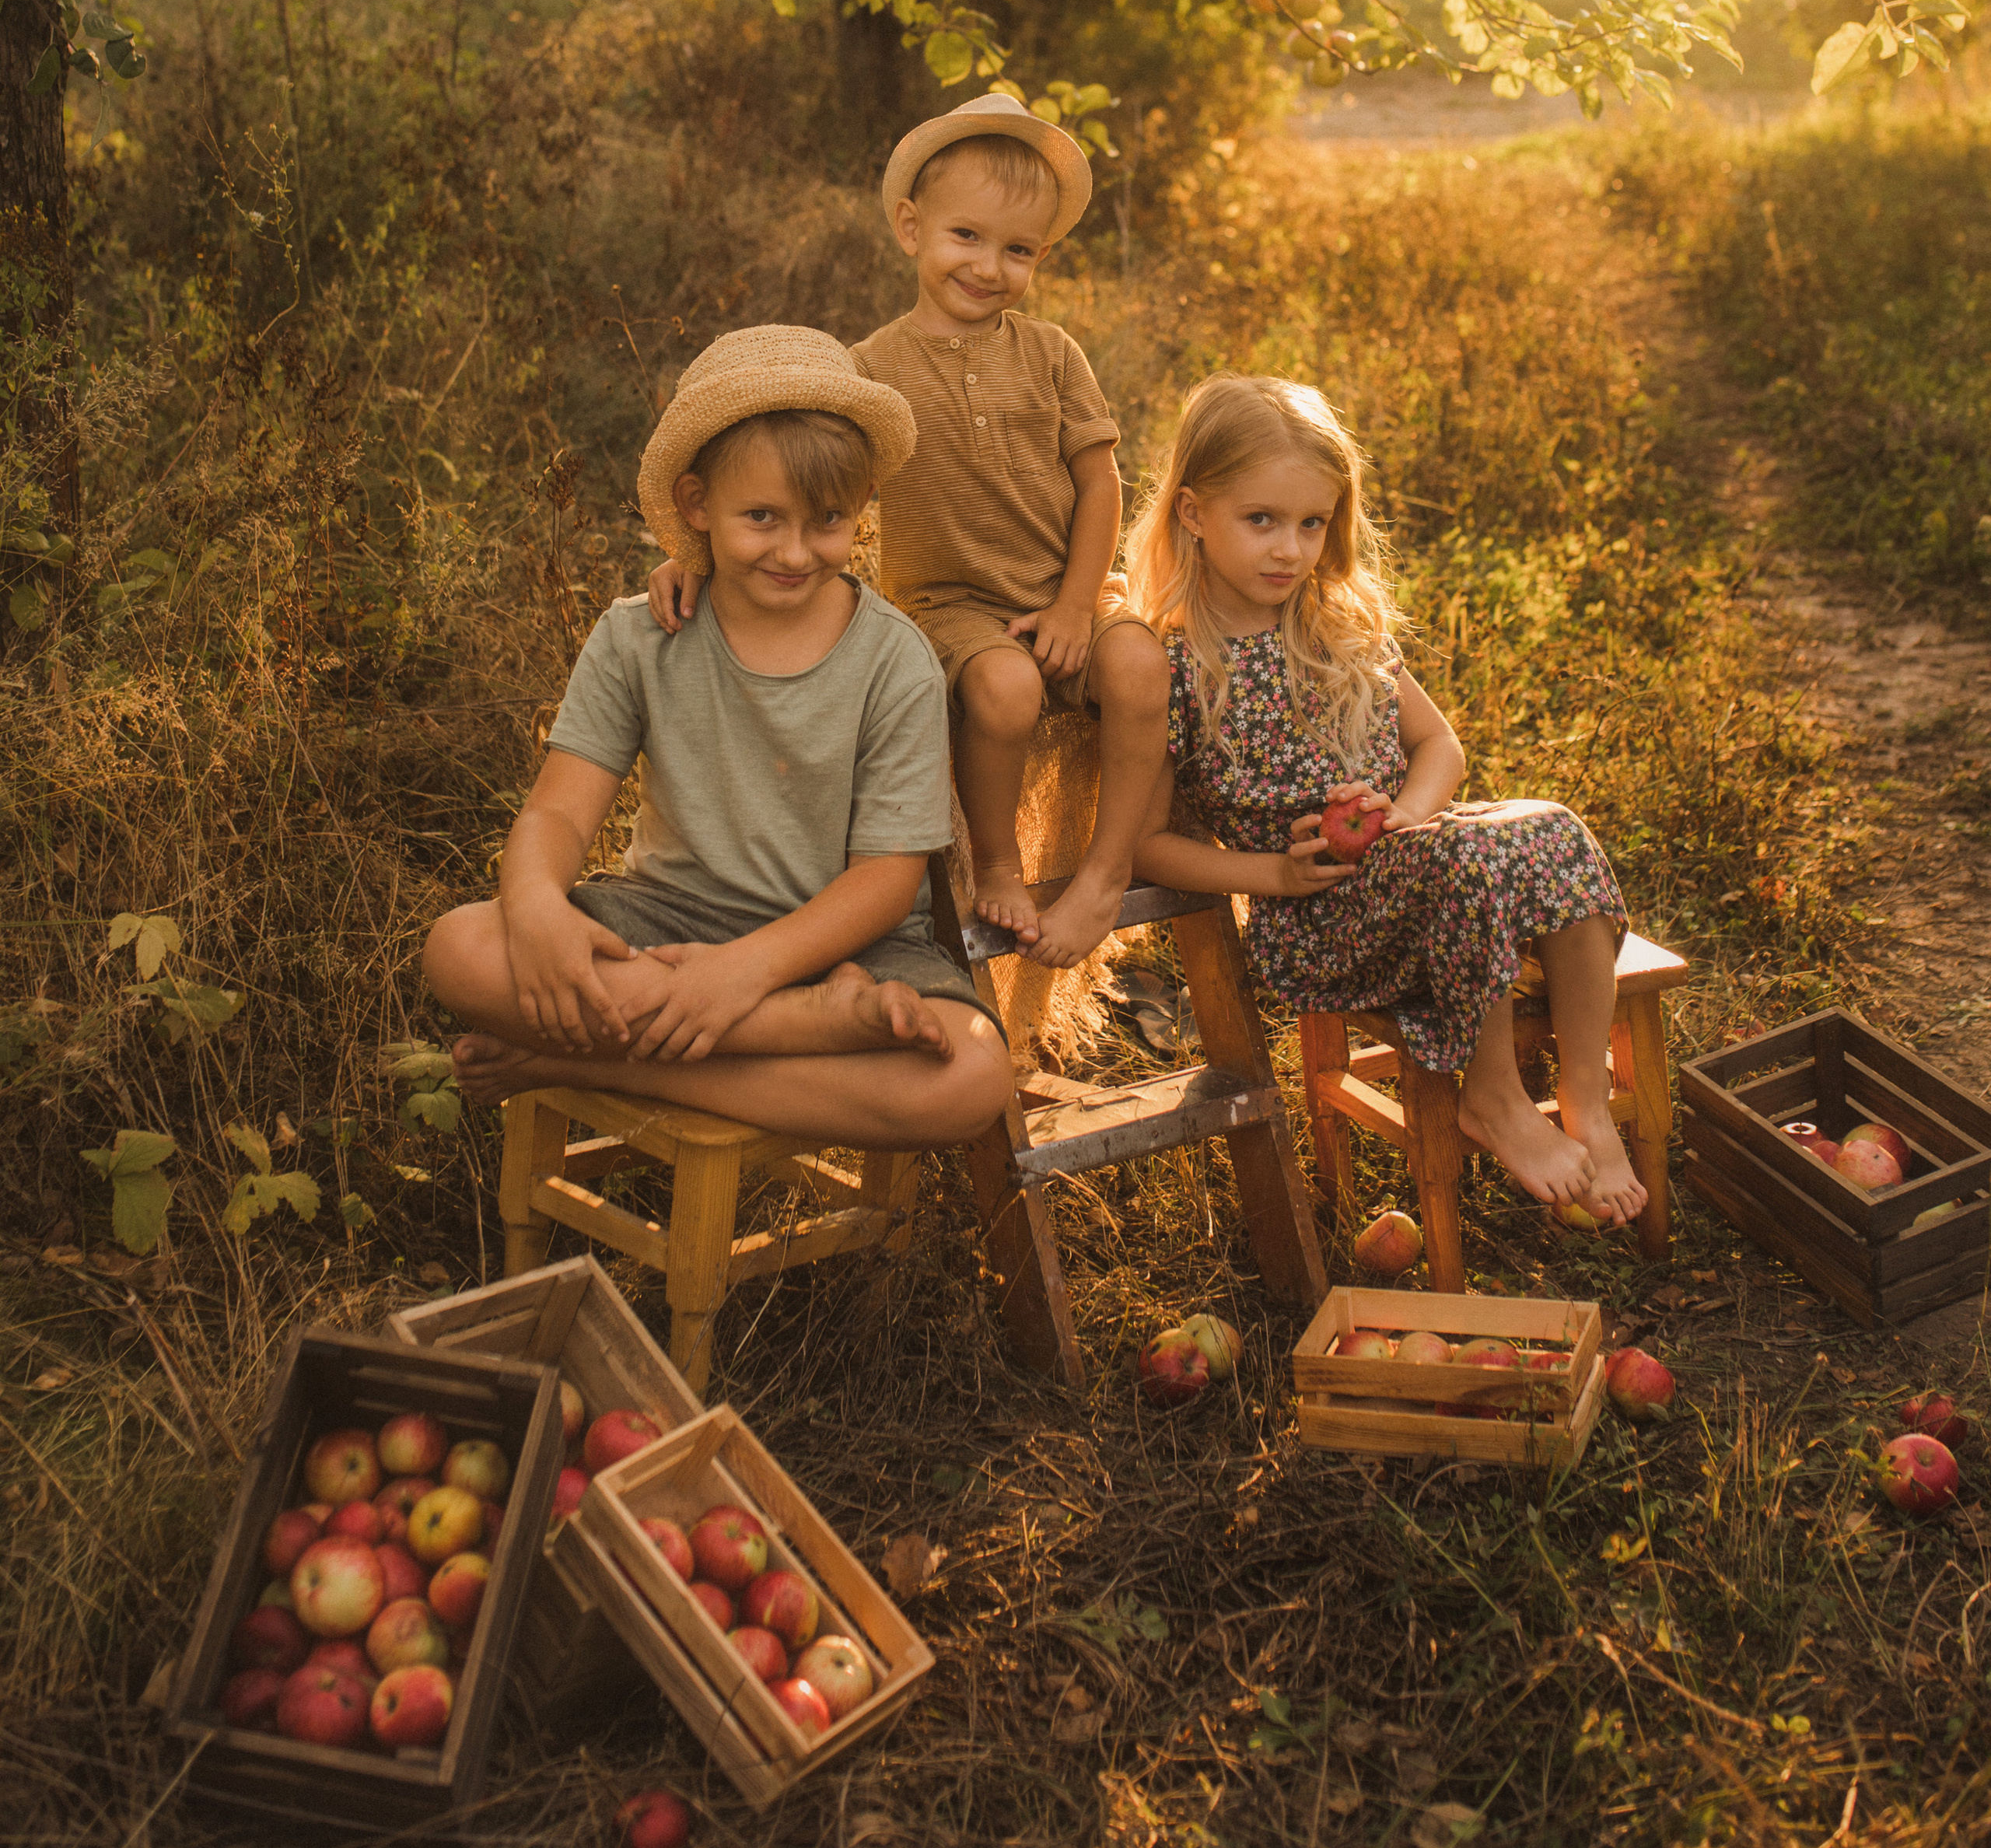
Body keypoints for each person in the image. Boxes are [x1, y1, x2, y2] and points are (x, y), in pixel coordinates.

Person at [426, 326, 1013, 1150]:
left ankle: (585, 1061)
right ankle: (798, 1027)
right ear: (698, 505)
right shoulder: (640, 637)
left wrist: (742, 975)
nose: (795, 550)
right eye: (762, 517)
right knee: (461, 948)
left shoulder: (892, 659)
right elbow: (557, 816)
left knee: (972, 1077)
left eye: (828, 520)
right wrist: (533, 908)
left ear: (863, 506)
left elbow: (885, 880)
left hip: (845, 941)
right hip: (665, 917)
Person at [649, 96, 1171, 971]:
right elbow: (788, 474)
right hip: (952, 601)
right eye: (966, 236)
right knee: (1003, 691)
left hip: (1065, 588)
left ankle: (1105, 872)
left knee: (1142, 665)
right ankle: (998, 864)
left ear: (1042, 257)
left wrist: (1079, 605)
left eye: (1018, 251)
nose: (989, 266)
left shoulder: (1053, 355)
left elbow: (1098, 481)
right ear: (910, 228)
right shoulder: (868, 370)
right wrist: (692, 554)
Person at [1125, 373, 1646, 1223]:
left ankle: (1584, 1093)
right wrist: (1274, 877)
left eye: (1310, 523)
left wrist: (1412, 812)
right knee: (1469, 862)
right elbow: (1145, 845)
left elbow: (1438, 745)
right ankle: (1493, 1099)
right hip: (1322, 922)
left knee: (1553, 826)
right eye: (1261, 521)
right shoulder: (1175, 663)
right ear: (1192, 514)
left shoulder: (1338, 622)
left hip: (1421, 866)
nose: (1289, 549)